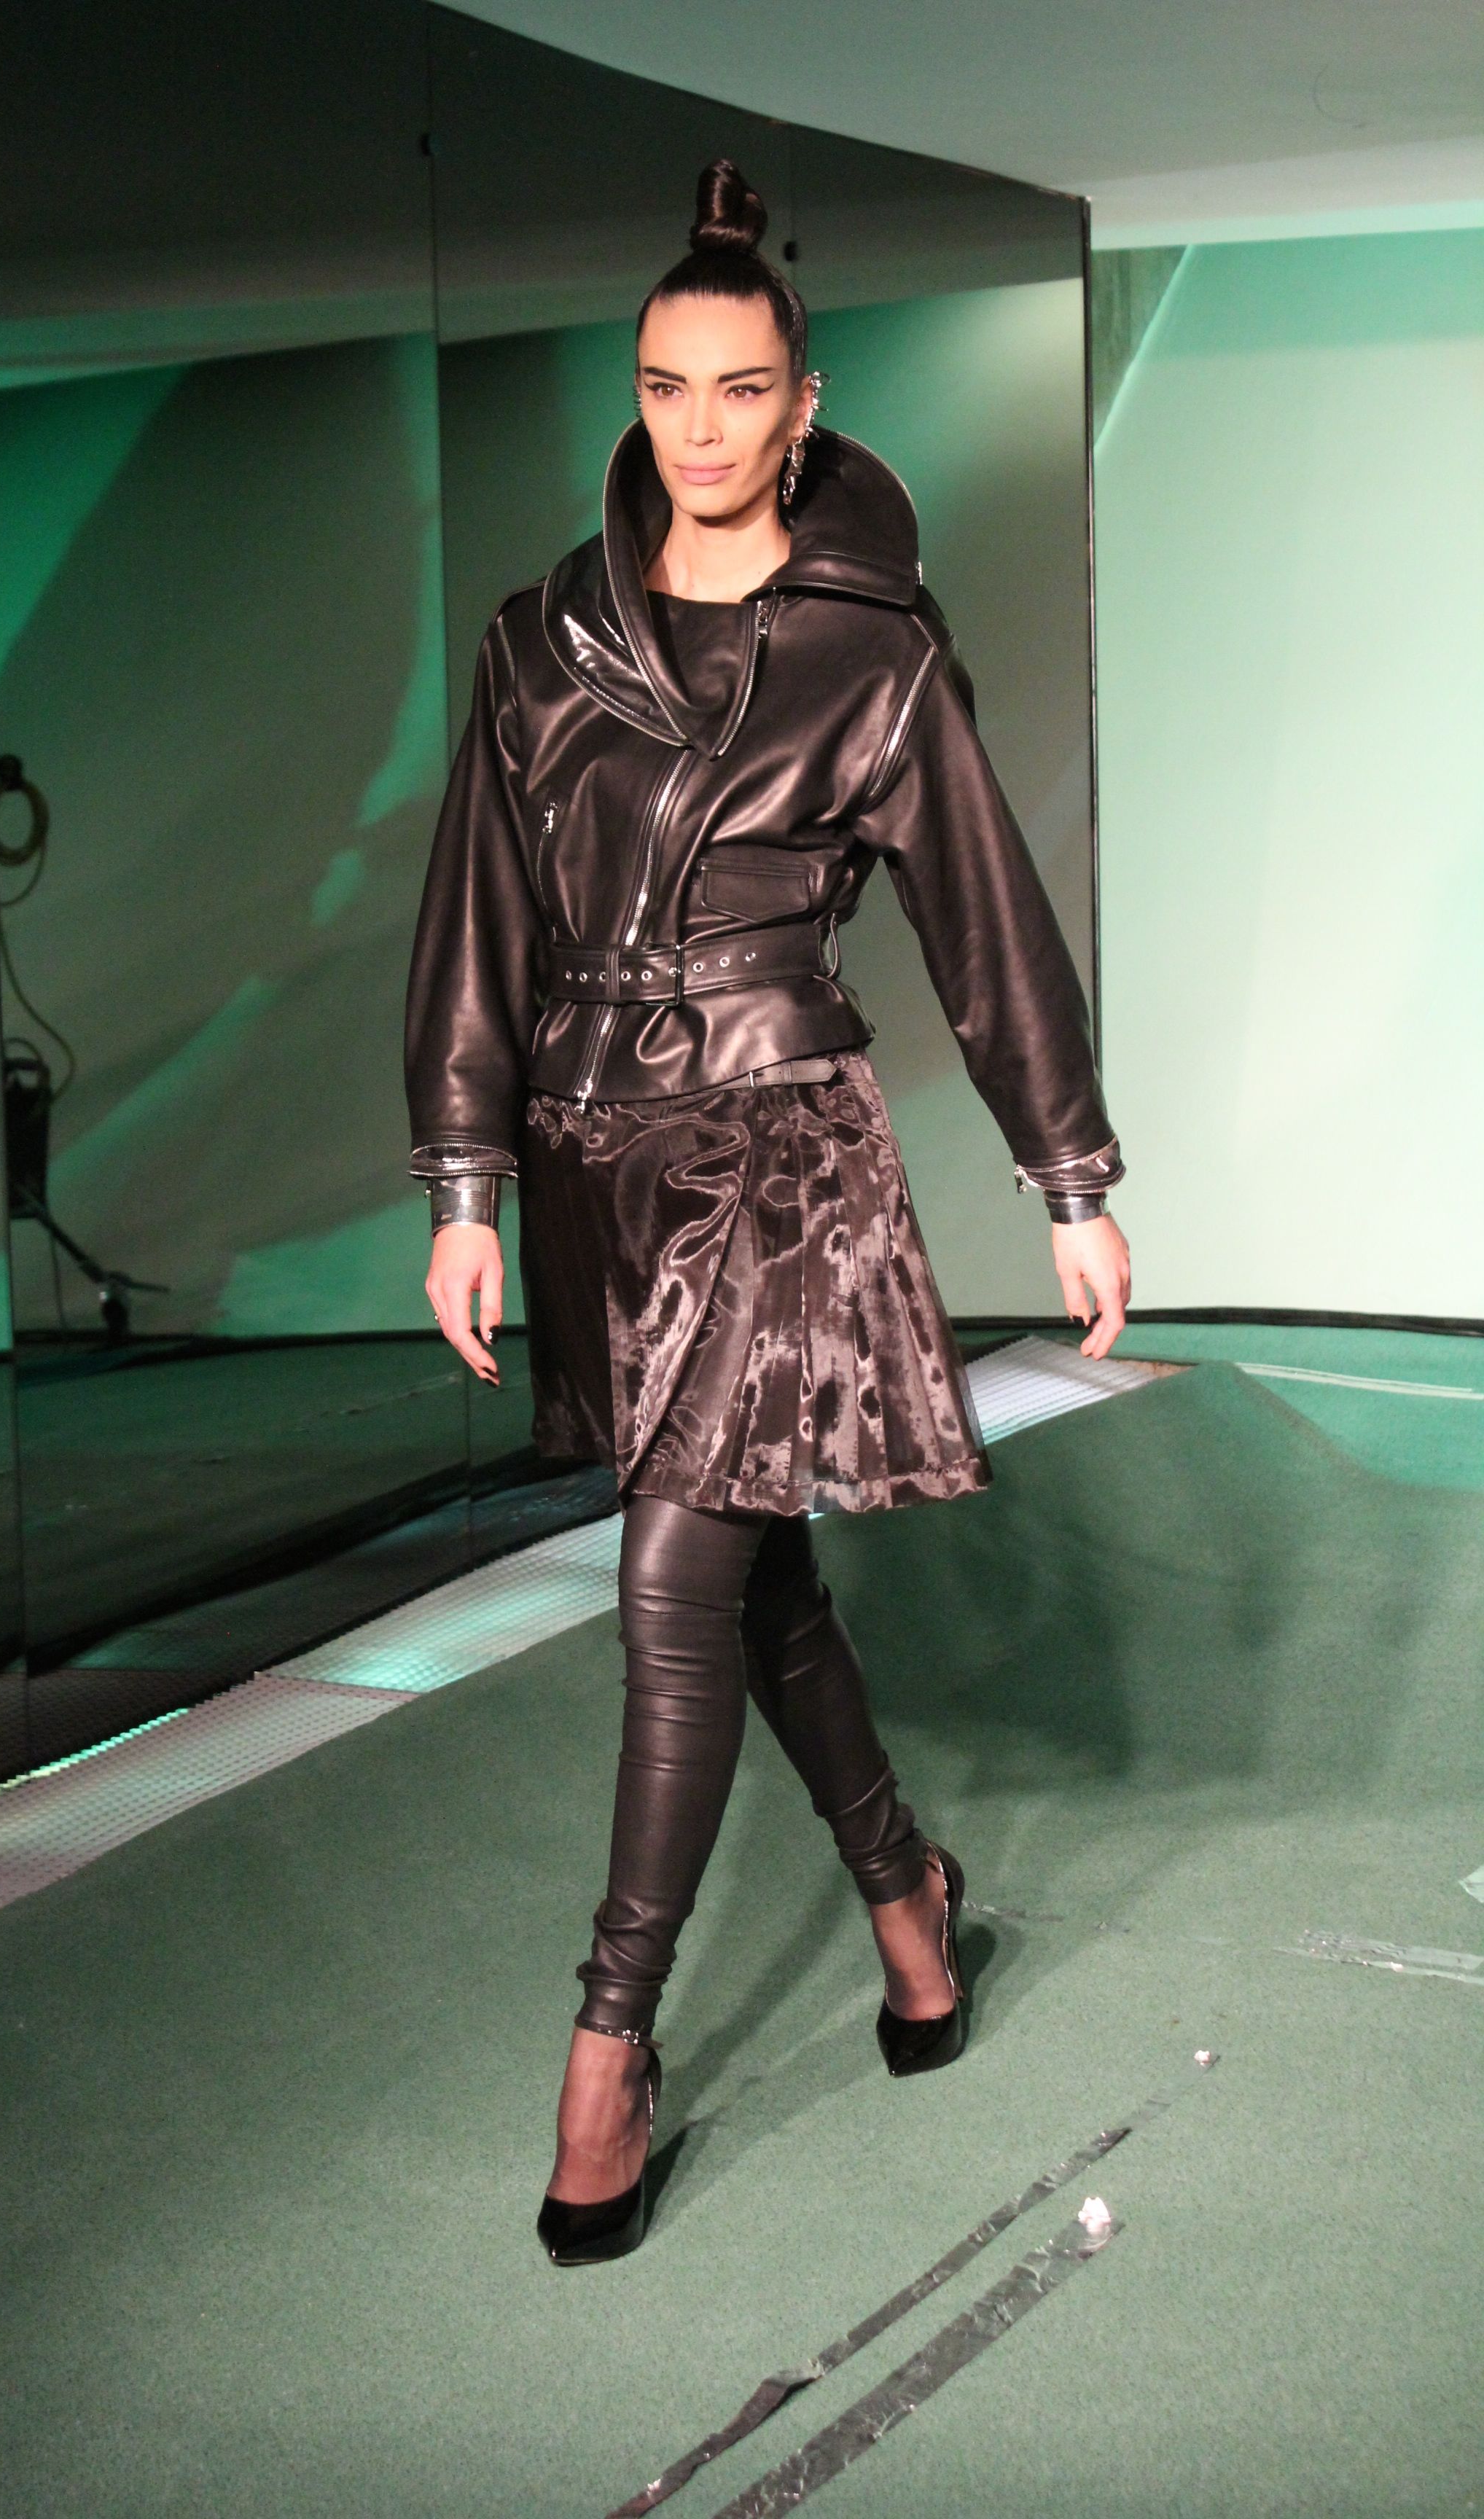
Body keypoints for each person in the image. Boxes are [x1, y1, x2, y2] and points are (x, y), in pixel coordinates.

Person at [405, 161, 1129, 2266]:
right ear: (634, 397)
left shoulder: (869, 651)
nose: (699, 428)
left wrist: (1071, 1176)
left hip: (781, 1160)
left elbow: (986, 916)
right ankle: (909, 1907)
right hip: (597, 1164)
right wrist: (463, 1183)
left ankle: (607, 2052)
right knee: (755, 1581)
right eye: (664, 388)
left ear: (804, 405)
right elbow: (475, 922)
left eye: (739, 390)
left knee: (665, 1590)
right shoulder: (540, 639)